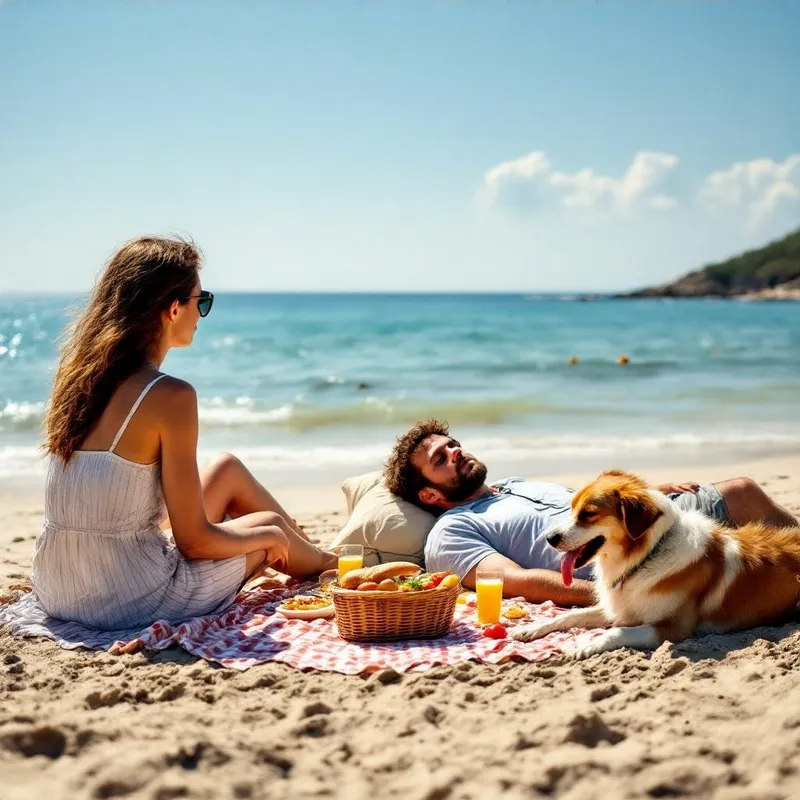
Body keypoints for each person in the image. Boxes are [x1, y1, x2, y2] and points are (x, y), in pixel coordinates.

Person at [32, 235, 336, 631]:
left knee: (225, 468)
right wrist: (266, 537)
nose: (202, 314)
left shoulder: (79, 382)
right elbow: (194, 542)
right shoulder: (169, 395)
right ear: (173, 308)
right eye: (201, 301)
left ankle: (316, 555)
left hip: (58, 587)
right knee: (271, 527)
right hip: (127, 598)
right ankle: (331, 565)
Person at [384, 419, 798, 607]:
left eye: (453, 444)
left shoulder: (513, 484)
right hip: (630, 559)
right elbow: (517, 581)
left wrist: (645, 495)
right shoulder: (452, 530)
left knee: (743, 490)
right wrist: (611, 596)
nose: (456, 452)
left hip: (649, 522)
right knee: (742, 496)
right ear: (429, 494)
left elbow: (591, 505)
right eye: (441, 459)